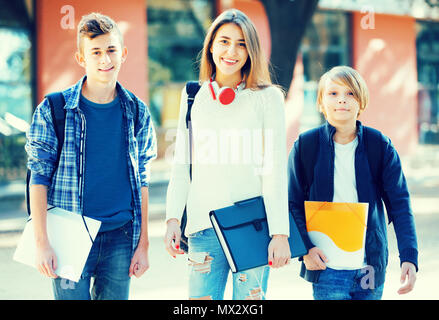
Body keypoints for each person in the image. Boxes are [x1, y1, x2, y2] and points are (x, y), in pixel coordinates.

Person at [25, 12, 157, 300]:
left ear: (122, 53)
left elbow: (143, 179)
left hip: (120, 237)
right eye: (95, 52)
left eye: (111, 50)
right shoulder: (54, 109)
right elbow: (38, 177)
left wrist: (143, 244)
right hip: (68, 235)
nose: (104, 59)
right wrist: (42, 242)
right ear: (81, 58)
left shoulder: (137, 111)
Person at [164, 9, 291, 300]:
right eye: (224, 41)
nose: (231, 51)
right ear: (211, 46)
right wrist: (173, 219)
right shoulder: (192, 95)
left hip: (252, 228)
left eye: (241, 43)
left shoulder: (268, 98)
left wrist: (280, 233)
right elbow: (182, 164)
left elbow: (274, 169)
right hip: (202, 229)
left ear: (251, 51)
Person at [288, 66, 418, 300]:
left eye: (350, 93)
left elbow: (400, 204)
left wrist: (409, 256)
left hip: (369, 266)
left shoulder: (380, 145)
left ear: (362, 101)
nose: (342, 101)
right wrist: (305, 249)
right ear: (321, 102)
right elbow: (292, 203)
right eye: (333, 93)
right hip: (325, 265)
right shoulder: (306, 146)